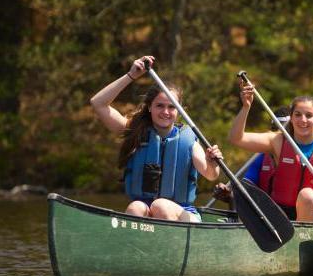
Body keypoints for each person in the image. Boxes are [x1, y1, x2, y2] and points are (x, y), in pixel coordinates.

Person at [90, 56, 224, 222]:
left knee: (161, 205)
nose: (166, 112)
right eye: (160, 105)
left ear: (179, 110)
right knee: (135, 207)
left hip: (184, 213)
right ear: (149, 107)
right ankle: (138, 246)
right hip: (147, 210)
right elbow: (98, 104)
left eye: (171, 107)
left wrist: (213, 162)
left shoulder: (188, 140)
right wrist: (131, 76)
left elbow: (211, 175)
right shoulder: (135, 131)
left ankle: (169, 246)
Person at [228, 81, 313, 222]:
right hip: (282, 218)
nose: (303, 120)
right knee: (249, 202)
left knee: (307, 195)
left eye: (309, 115)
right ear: (291, 117)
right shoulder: (277, 141)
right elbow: (236, 138)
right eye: (298, 115)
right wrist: (246, 107)